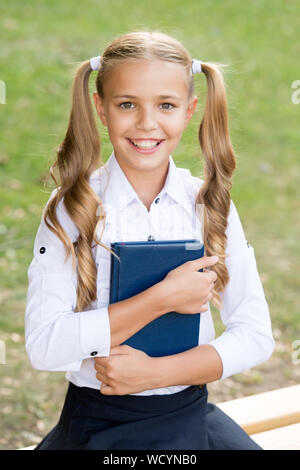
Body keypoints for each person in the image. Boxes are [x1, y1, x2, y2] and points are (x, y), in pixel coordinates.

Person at [25, 30, 275, 450]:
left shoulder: (210, 204)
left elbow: (255, 335)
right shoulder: (73, 208)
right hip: (98, 423)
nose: (147, 123)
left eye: (166, 105)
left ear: (189, 110)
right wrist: (162, 298)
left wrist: (157, 374)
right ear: (100, 109)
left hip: (188, 416)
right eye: (127, 105)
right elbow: (44, 346)